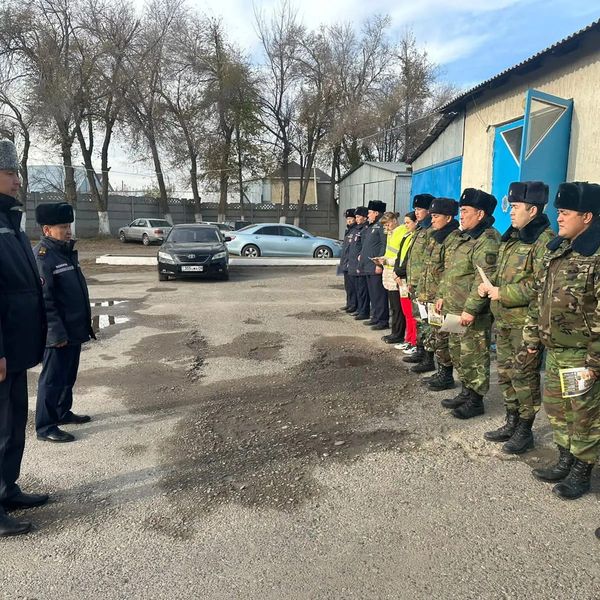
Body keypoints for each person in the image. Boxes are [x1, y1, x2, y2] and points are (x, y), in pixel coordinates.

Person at [523, 181, 600, 499]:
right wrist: (532, 336)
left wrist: (595, 361)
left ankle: (582, 471)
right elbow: (539, 297)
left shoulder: (595, 255)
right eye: (559, 212)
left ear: (587, 217)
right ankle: (565, 459)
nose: (559, 218)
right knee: (557, 410)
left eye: (566, 212)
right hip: (555, 351)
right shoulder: (558, 250)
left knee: (583, 416)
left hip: (581, 355)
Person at [478, 181, 554, 454]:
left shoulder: (544, 241)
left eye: (516, 207)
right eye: (510, 206)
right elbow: (503, 273)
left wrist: (503, 292)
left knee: (524, 377)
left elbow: (542, 287)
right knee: (506, 375)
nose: (510, 211)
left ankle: (525, 429)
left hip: (525, 324)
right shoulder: (512, 237)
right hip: (505, 321)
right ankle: (511, 421)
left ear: (533, 210)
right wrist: (489, 287)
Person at [0, 139, 47, 537]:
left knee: (13, 424)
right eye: (9, 172)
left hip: (15, 348)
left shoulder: (9, 220)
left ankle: (6, 489)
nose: (17, 180)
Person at [437, 188, 500, 419]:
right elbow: (451, 271)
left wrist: (471, 309)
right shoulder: (465, 237)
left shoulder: (487, 240)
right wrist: (442, 295)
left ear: (480, 214)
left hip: (471, 312)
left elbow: (483, 278)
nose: (460, 216)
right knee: (459, 353)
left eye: (465, 211)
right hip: (455, 308)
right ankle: (466, 391)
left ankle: (475, 400)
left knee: (474, 356)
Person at [34, 203, 95, 443]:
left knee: (68, 375)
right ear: (47, 230)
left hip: (73, 329)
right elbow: (45, 300)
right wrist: (55, 333)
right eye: (62, 227)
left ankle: (62, 412)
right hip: (58, 333)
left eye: (69, 226)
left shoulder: (65, 252)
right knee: (52, 380)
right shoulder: (44, 257)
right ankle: (45, 426)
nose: (68, 231)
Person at [417, 197, 460, 389]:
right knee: (436, 336)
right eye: (432, 216)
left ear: (448, 218)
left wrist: (440, 295)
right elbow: (428, 268)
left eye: (436, 216)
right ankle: (442, 372)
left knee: (444, 338)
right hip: (431, 297)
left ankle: (446, 376)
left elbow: (449, 272)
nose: (432, 219)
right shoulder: (437, 236)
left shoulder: (452, 239)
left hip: (442, 299)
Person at [403, 194, 434, 366]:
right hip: (415, 283)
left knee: (427, 321)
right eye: (415, 209)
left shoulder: (431, 231)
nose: (416, 212)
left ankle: (428, 357)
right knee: (419, 319)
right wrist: (410, 280)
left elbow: (428, 261)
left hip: (425, 285)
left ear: (429, 210)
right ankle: (420, 350)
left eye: (419, 209)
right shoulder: (420, 229)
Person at [374, 212, 406, 344]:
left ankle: (398, 334)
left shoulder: (401, 231)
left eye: (387, 224)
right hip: (389, 271)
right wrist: (382, 259)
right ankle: (395, 332)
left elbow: (401, 256)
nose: (386, 227)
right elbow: (390, 252)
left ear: (394, 221)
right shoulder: (391, 233)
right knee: (393, 306)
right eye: (384, 225)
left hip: (395, 272)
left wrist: (387, 261)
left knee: (397, 307)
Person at [359, 200, 389, 331]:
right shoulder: (372, 225)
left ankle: (382, 320)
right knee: (373, 293)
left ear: (376, 213)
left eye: (370, 212)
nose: (368, 215)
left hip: (375, 265)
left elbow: (384, 244)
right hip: (368, 265)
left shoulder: (381, 225)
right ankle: (376, 317)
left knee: (379, 294)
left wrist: (379, 264)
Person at [393, 212, 418, 353]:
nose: (406, 225)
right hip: (401, 278)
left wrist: (400, 272)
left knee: (412, 314)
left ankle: (414, 342)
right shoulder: (406, 236)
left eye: (408, 222)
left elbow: (410, 260)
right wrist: (396, 272)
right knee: (406, 312)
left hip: (408, 278)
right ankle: (408, 339)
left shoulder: (416, 238)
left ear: (416, 222)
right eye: (405, 222)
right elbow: (399, 256)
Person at [347, 207, 370, 320]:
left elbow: (364, 247)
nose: (356, 219)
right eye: (355, 217)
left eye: (358, 216)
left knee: (362, 290)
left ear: (364, 217)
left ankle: (364, 311)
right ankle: (359, 309)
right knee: (357, 289)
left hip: (360, 265)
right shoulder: (357, 229)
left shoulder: (365, 229)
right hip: (353, 264)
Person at [339, 209, 357, 312]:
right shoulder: (348, 230)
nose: (349, 220)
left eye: (351, 218)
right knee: (347, 286)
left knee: (353, 286)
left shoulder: (355, 230)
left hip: (351, 262)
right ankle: (349, 303)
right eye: (347, 219)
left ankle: (353, 305)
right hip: (345, 261)